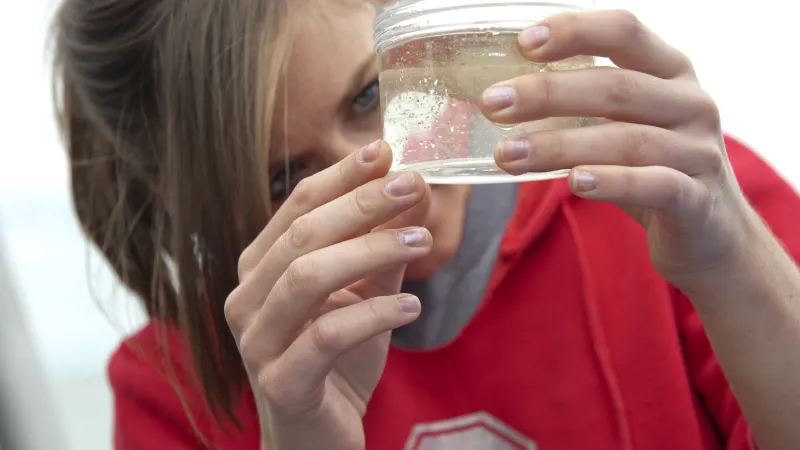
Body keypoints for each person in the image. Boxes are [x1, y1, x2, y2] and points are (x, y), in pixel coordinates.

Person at [51, 0, 800, 449]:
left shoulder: (676, 204)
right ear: (187, 202)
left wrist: (733, 266)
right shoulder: (172, 389)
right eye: (286, 177)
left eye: (369, 96)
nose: (389, 180)